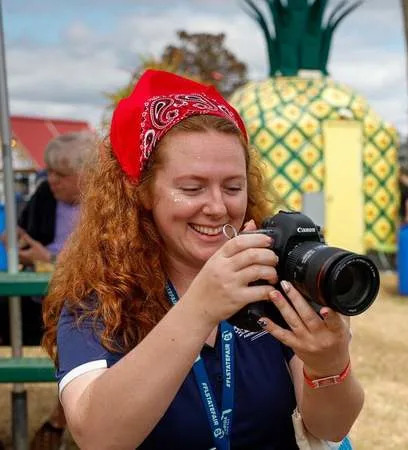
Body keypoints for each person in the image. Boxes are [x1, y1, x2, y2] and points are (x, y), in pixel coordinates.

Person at [41, 70, 363, 449]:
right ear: (141, 193)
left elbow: (330, 428)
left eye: (233, 187)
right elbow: (98, 436)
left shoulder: (272, 280)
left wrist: (329, 365)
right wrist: (200, 308)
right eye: (192, 188)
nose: (217, 207)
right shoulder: (100, 298)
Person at [0, 131, 94, 450]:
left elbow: (104, 261)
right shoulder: (43, 196)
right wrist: (18, 241)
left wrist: (49, 259)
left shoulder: (106, 207)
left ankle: (58, 421)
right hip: (39, 300)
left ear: (86, 174)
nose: (52, 180)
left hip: (81, 303)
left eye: (61, 174)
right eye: (49, 172)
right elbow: (25, 233)